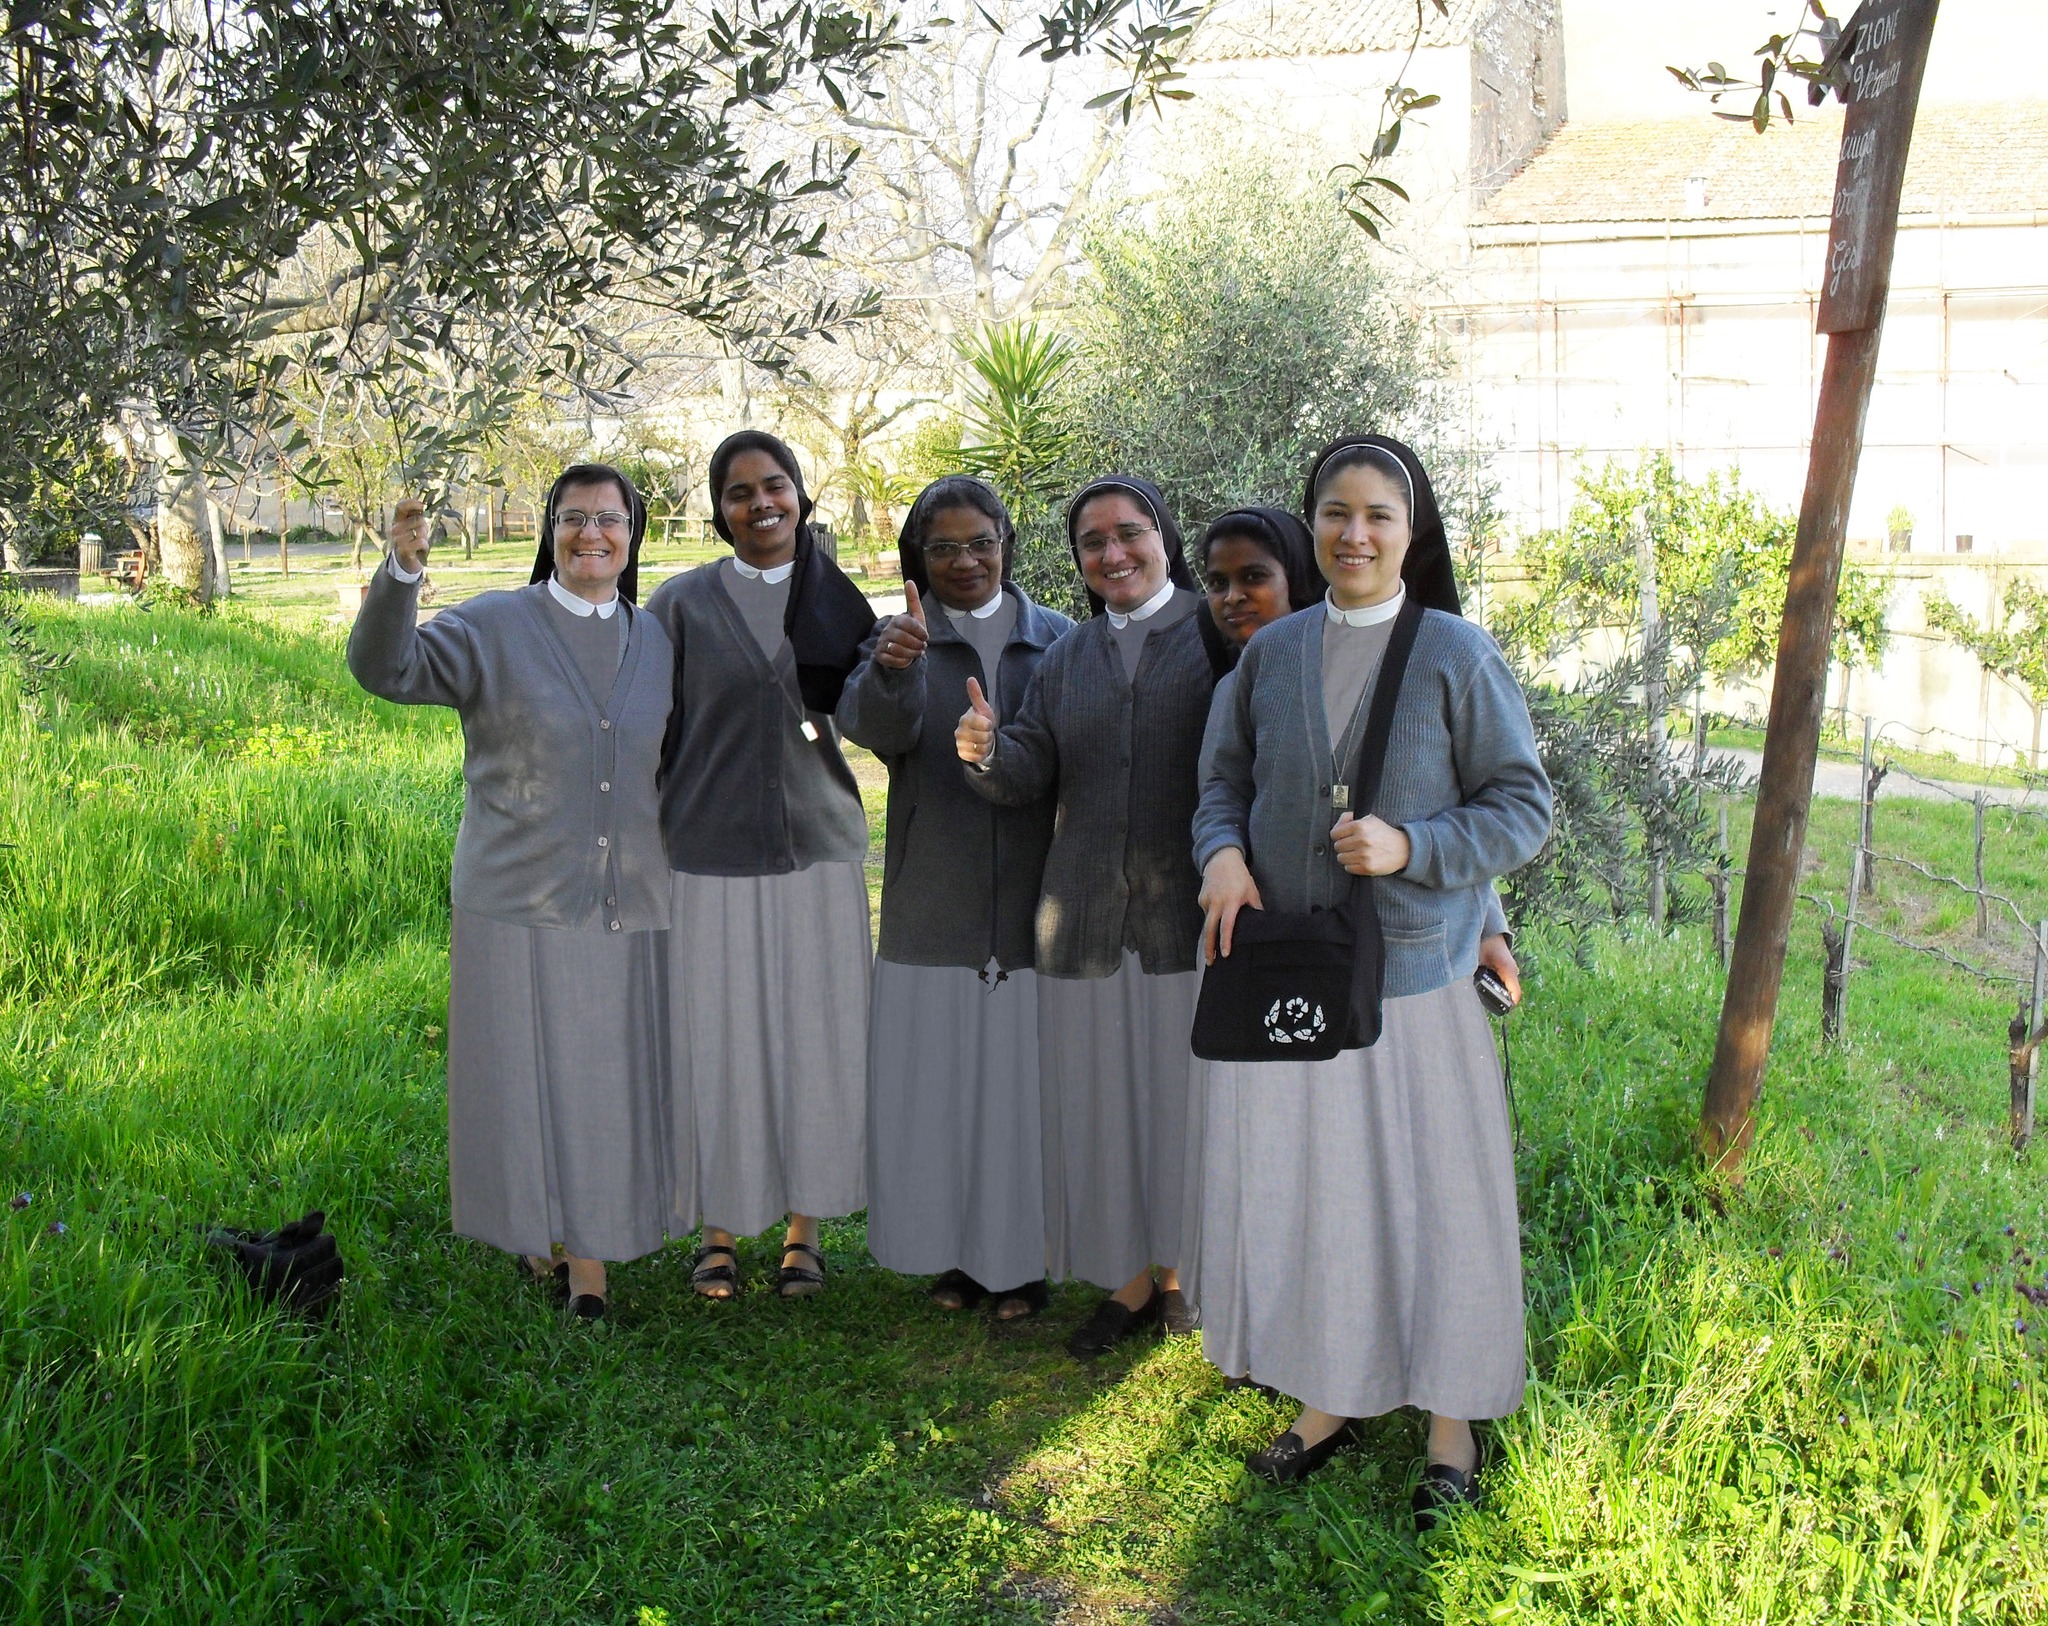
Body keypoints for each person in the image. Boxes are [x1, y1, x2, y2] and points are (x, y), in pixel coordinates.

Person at [1188, 434, 1553, 1518]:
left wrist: (1413, 849)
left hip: (1415, 986)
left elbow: (1520, 807)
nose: (1354, 533)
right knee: (1314, 1199)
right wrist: (1220, 854)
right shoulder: (1271, 655)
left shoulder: (1454, 654)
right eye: (1335, 512)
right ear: (1312, 527)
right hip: (1290, 986)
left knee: (1437, 1205)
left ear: (1412, 532)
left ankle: (1450, 1420)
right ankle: (1329, 1395)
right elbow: (1220, 783)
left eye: (1378, 515)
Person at [347, 465, 684, 1321]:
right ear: (549, 530)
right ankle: (539, 1227)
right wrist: (402, 572)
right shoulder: (496, 624)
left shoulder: (658, 643)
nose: (591, 535)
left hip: (629, 901)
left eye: (609, 518)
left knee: (601, 1079)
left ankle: (590, 1263)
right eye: (573, 518)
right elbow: (386, 668)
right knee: (525, 1076)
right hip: (514, 895)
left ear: (633, 533)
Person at [954, 475, 1214, 1359]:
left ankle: (1183, 1271)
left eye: (1129, 534)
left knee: (1182, 1104)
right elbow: (1029, 771)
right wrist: (989, 751)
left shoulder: (1219, 640)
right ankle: (1127, 1278)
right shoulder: (1068, 657)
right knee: (1102, 1109)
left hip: (1190, 923)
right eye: (1092, 543)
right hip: (1084, 926)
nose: (1113, 555)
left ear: (1164, 538)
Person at [646, 431, 878, 1302]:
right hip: (703, 854)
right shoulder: (679, 605)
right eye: (739, 492)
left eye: (774, 486)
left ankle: (805, 1229)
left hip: (815, 854)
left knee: (812, 1042)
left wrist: (893, 668)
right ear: (719, 511)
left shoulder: (839, 600)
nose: (760, 504)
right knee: (718, 1043)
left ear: (801, 494)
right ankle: (716, 1228)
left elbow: (872, 717)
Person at [838, 477, 1074, 1322]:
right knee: (939, 1093)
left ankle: (1021, 1264)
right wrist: (896, 668)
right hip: (931, 902)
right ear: (919, 559)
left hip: (1032, 915)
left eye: (981, 542)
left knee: (1016, 1097)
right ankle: (952, 1253)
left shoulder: (1058, 642)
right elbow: (871, 729)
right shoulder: (900, 636)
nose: (965, 561)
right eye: (943, 548)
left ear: (1008, 541)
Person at [1198, 512, 1525, 991]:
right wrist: (1219, 856)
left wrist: (1487, 925)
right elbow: (1220, 794)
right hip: (1266, 949)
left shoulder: (1426, 655)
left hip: (1395, 964)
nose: (1234, 597)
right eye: (1217, 582)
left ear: (1296, 574)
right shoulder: (1230, 679)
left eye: (1254, 576)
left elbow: (1445, 794)